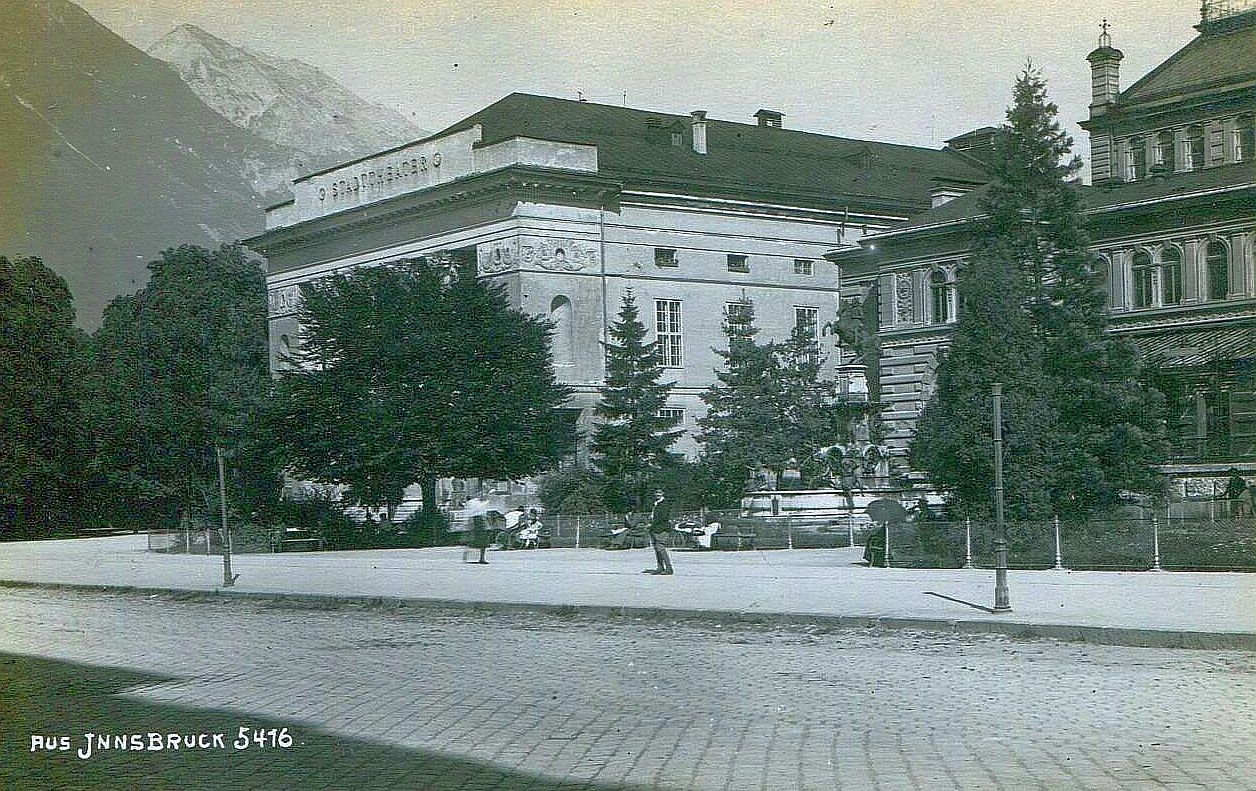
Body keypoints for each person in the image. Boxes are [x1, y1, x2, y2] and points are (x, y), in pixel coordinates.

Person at [643, 489, 674, 575]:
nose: (657, 494)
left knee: (661, 548)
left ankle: (669, 568)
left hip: (661, 529)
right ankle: (660, 567)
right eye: (656, 492)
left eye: (659, 493)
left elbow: (663, 517)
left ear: (663, 493)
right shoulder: (656, 504)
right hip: (655, 528)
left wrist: (651, 525)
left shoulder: (665, 504)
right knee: (657, 549)